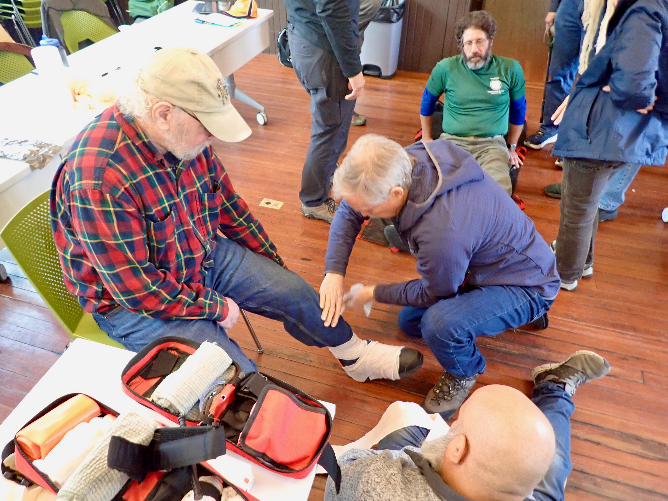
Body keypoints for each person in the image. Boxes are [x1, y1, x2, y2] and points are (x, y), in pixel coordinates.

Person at [50, 47, 423, 383]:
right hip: (135, 304)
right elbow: (135, 287)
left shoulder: (183, 138)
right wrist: (212, 307)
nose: (213, 137)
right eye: (207, 126)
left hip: (199, 254)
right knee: (236, 377)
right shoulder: (99, 176)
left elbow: (229, 206)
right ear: (164, 114)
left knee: (294, 291)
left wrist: (275, 268)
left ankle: (355, 356)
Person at [319, 134, 560, 417]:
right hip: (482, 266)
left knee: (438, 325)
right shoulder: (402, 161)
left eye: (368, 210)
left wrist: (374, 292)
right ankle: (497, 313)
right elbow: (350, 210)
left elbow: (435, 293)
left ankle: (464, 372)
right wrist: (333, 272)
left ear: (395, 193)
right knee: (410, 322)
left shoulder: (442, 232)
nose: (363, 214)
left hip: (528, 284)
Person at [325, 350, 611, 501]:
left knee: (407, 427)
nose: (451, 424)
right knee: (550, 460)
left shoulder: (376, 480)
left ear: (458, 449)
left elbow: (341, 475)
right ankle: (556, 388)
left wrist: (398, 458)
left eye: (458, 422)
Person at [550, 0, 667, 291]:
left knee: (576, 207)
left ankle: (565, 273)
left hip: (603, 125)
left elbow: (634, 83)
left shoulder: (644, 9)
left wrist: (627, 92)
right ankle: (582, 262)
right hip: (617, 130)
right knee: (587, 201)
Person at [420, 10, 526, 195]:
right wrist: (427, 137)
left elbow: (519, 110)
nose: (474, 49)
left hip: (492, 146)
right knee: (435, 187)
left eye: (480, 41)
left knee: (497, 192)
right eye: (468, 43)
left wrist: (512, 147)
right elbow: (427, 101)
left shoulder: (510, 68)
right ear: (461, 45)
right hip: (452, 142)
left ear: (490, 41)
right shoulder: (445, 68)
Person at [283, 0, 365, 223]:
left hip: (305, 35)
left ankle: (324, 175)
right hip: (324, 49)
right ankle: (314, 201)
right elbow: (332, 10)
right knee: (329, 131)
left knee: (329, 125)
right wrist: (353, 69)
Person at [525, 0, 584, 151]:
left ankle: (577, 141)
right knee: (558, 72)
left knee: (590, 75)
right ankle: (551, 127)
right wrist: (553, 8)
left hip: (603, 7)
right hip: (569, 6)